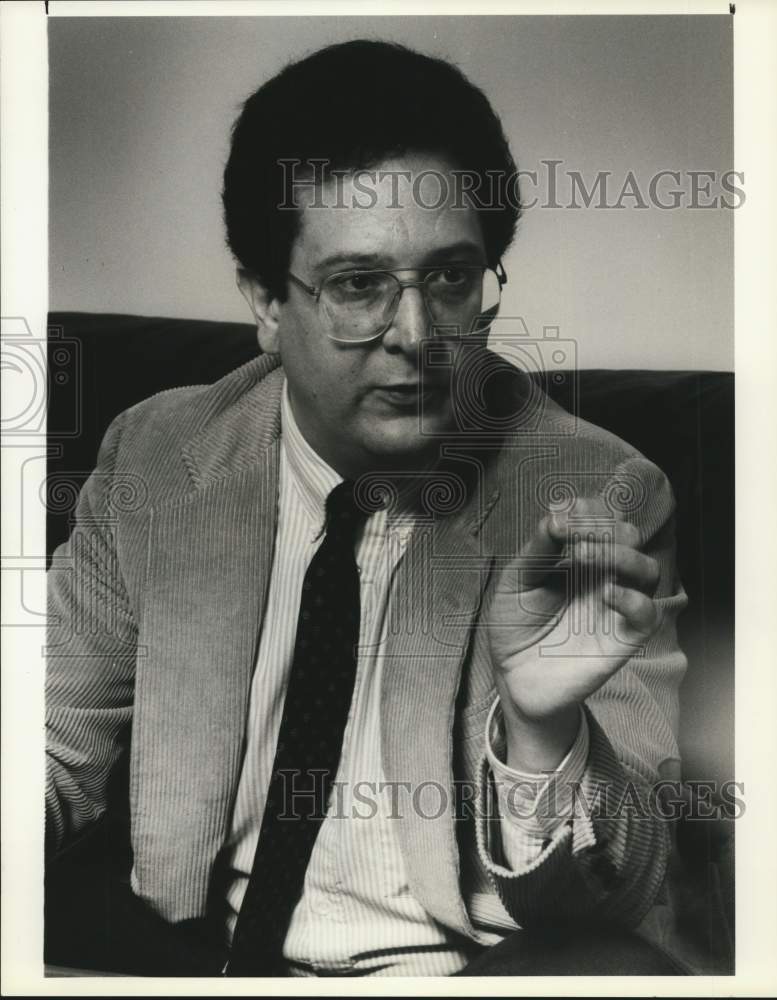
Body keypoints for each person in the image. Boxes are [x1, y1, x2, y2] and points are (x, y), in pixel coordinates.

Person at [45, 40, 691, 976]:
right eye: (358, 286)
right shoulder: (156, 456)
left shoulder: (598, 494)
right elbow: (45, 746)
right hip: (192, 959)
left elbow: (625, 893)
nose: (418, 335)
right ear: (266, 300)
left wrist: (544, 730)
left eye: (451, 278)